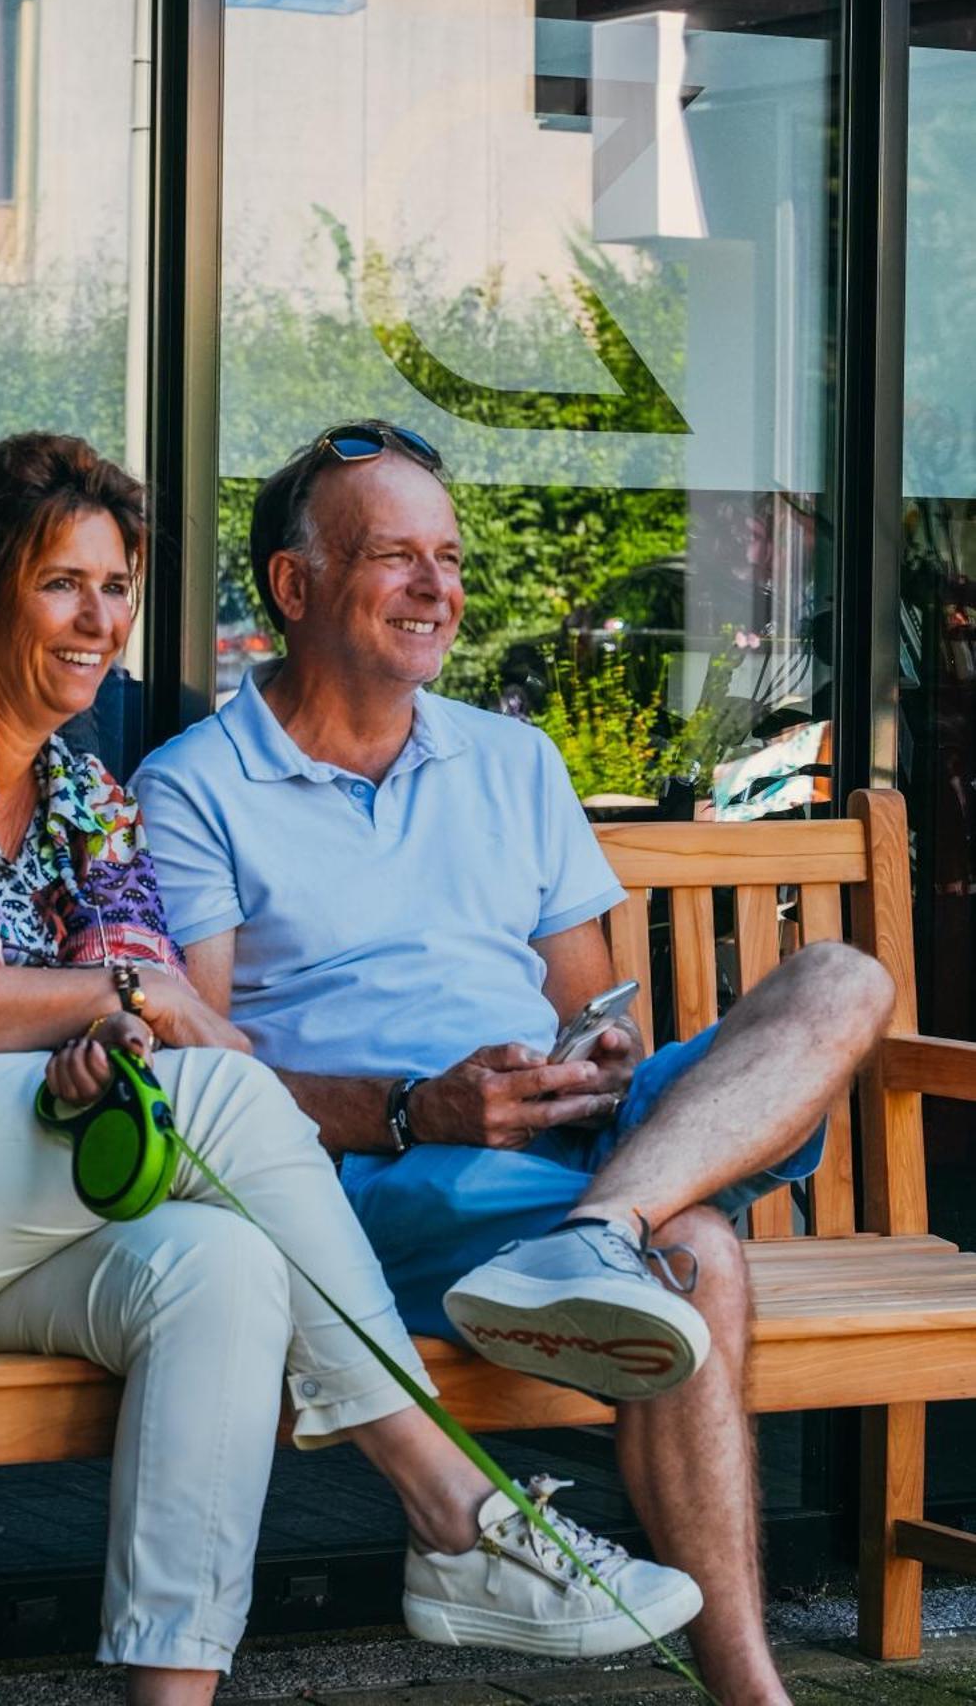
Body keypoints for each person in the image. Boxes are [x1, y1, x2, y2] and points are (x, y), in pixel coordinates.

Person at [0, 432, 700, 1705]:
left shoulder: (87, 796)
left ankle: (174, 1693)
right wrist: (127, 999)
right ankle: (455, 1508)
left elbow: (144, 1006)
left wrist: (123, 1023)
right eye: (61, 583)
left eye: (116, 588)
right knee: (215, 1095)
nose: (97, 619)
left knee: (220, 1266)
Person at [131, 420, 896, 1706]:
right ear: (293, 583)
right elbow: (204, 1090)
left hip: (570, 1153)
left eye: (448, 557)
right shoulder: (193, 787)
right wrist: (411, 1105)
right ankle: (752, 1690)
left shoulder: (513, 758)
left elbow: (589, 1003)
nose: (438, 589)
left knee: (845, 978)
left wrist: (592, 1056)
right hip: (379, 1176)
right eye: (395, 556)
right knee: (693, 1248)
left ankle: (599, 1229)